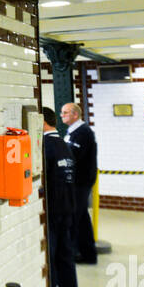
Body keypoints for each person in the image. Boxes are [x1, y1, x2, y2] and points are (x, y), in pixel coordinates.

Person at [40, 107, 80, 287]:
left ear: (42, 122)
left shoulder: (44, 147)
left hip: (53, 211)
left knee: (51, 259)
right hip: (68, 210)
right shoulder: (65, 145)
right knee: (65, 257)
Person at [60, 102, 98, 264]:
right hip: (76, 181)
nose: (62, 116)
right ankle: (88, 253)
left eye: (65, 113)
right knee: (82, 217)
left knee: (75, 216)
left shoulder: (83, 132)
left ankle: (74, 251)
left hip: (80, 182)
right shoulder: (72, 132)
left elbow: (74, 155)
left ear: (75, 114)